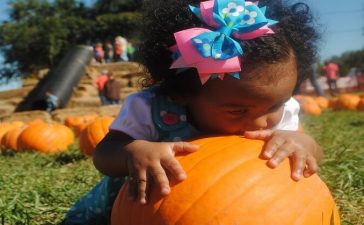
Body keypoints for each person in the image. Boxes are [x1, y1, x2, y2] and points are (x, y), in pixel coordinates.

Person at [64, 0, 323, 224]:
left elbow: (312, 152)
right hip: (136, 210)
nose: (261, 122)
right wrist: (134, 151)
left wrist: (304, 143)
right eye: (238, 110)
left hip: (234, 204)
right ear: (182, 93)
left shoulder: (281, 109)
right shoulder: (151, 108)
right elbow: (103, 155)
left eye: (275, 105)